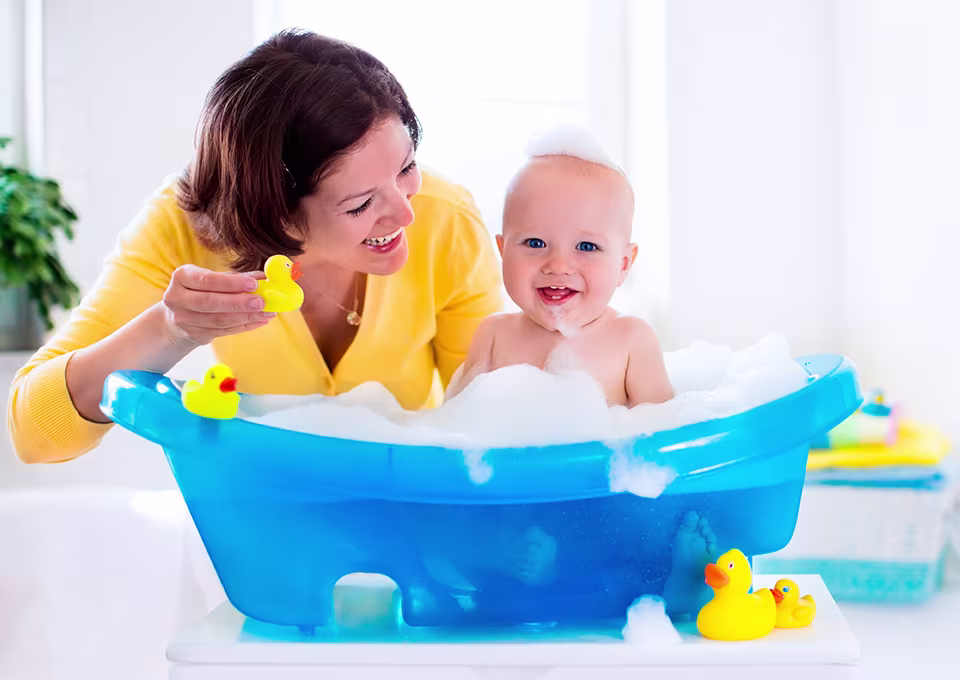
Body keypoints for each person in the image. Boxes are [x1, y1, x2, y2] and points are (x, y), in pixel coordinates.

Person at [7, 29, 501, 464]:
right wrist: (171, 329)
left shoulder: (447, 221)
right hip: (258, 512)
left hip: (410, 503)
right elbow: (34, 433)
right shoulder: (184, 225)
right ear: (275, 210)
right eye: (360, 204)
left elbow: (492, 426)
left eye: (406, 167)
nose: (406, 213)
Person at [446, 138, 673, 407]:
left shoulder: (631, 341)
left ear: (623, 264)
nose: (558, 265)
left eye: (586, 246)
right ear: (503, 250)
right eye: (535, 243)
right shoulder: (493, 335)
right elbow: (456, 427)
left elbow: (664, 433)